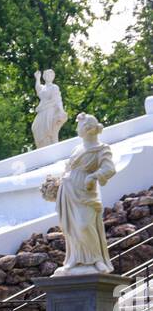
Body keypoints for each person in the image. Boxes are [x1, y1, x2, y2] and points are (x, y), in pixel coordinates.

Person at [43, 113, 116, 274]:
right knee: (70, 228)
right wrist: (55, 185)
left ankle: (97, 259)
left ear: (88, 129)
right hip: (68, 191)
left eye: (79, 125)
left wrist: (93, 176)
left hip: (85, 192)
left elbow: (109, 168)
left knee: (84, 225)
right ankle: (74, 259)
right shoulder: (77, 149)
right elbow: (68, 169)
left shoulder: (102, 148)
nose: (76, 128)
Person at [32, 69, 67, 148]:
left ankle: (49, 146)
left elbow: (58, 100)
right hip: (42, 111)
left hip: (49, 111)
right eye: (47, 75)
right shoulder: (43, 87)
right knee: (35, 127)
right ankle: (41, 147)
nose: (49, 77)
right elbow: (38, 88)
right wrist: (37, 78)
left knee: (47, 131)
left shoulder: (54, 87)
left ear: (53, 77)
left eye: (51, 75)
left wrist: (61, 111)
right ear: (44, 77)